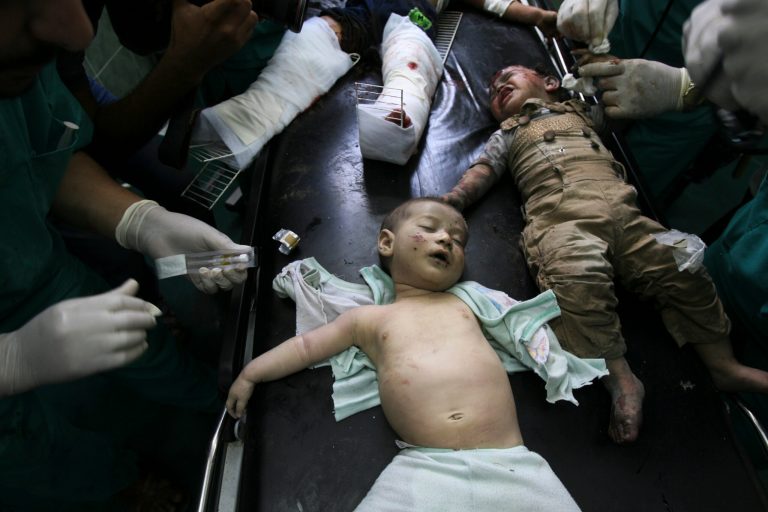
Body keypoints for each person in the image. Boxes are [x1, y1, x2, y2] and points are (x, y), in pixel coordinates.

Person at [0, 1, 250, 509]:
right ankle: (122, 486)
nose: (79, 33)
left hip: (47, 277)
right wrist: (11, 359)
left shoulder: (16, 60)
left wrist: (140, 220)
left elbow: (44, 152)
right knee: (54, 468)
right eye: (23, 6)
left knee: (168, 376)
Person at [440, 64, 768, 444]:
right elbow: (483, 170)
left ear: (551, 83)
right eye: (492, 91)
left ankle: (724, 366)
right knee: (573, 281)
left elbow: (622, 109)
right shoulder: (508, 134)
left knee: (686, 266)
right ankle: (621, 378)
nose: (497, 85)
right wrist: (454, 200)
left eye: (507, 76)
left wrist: (666, 87)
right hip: (564, 220)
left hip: (628, 216)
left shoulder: (583, 113)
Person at [227, 197, 582, 511]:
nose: (447, 239)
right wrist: (251, 373)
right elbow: (305, 347)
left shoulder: (468, 301)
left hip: (514, 466)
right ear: (387, 243)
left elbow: (515, 323)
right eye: (429, 228)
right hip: (425, 468)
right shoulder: (367, 319)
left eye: (458, 241)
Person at [191, 0, 558, 168]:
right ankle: (238, 123)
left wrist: (541, 16)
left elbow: (499, 4)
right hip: (360, 16)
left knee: (412, 66)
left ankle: (396, 120)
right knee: (313, 41)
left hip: (410, 24)